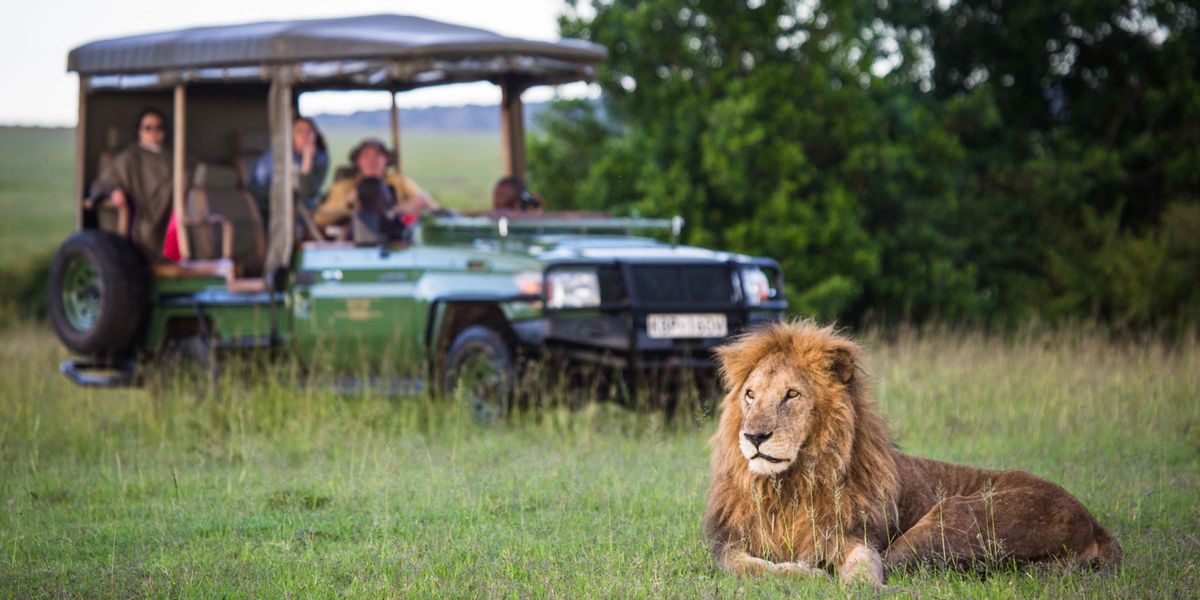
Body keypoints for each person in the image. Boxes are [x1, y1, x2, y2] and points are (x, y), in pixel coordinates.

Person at [88, 108, 175, 262]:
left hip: (169, 212)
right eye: (148, 128)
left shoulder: (172, 157)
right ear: (140, 132)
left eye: (158, 128)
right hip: (143, 215)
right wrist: (113, 191)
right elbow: (100, 184)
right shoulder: (129, 158)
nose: (154, 132)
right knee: (146, 233)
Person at [313, 138, 437, 231]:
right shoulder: (344, 187)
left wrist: (397, 211)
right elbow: (320, 218)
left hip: (396, 240)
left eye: (377, 155)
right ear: (357, 161)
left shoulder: (400, 183)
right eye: (366, 155)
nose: (372, 160)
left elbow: (430, 205)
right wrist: (347, 203)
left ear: (386, 160)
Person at [248, 116, 329, 218]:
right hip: (271, 208)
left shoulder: (320, 157)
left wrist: (307, 160)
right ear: (291, 136)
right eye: (299, 131)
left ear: (315, 135)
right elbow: (259, 190)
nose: (305, 135)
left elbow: (309, 192)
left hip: (304, 210)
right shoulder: (276, 157)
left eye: (309, 131)